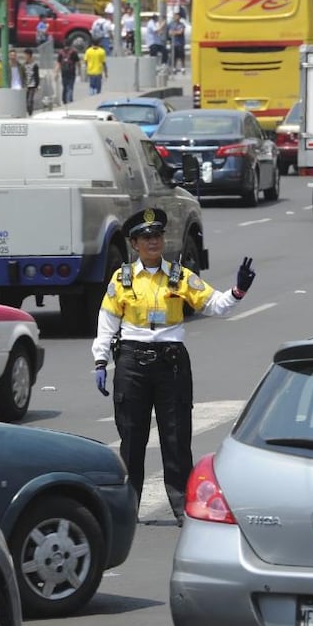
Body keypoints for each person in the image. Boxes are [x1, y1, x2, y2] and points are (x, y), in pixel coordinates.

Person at [91, 208, 257, 526]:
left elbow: (214, 305)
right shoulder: (122, 279)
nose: (154, 242)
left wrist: (238, 292)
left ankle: (182, 506)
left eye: (157, 236)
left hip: (172, 363)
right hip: (132, 362)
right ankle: (129, 506)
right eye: (146, 238)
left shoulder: (179, 276)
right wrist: (101, 360)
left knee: (176, 435)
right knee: (131, 436)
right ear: (134, 243)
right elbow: (107, 322)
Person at [23, 48, 41, 115]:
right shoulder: (24, 65)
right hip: (25, 85)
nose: (25, 56)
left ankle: (30, 112)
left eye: (26, 55)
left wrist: (37, 85)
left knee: (30, 100)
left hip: (32, 85)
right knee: (26, 100)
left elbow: (37, 75)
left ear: (29, 55)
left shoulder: (34, 65)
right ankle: (28, 112)